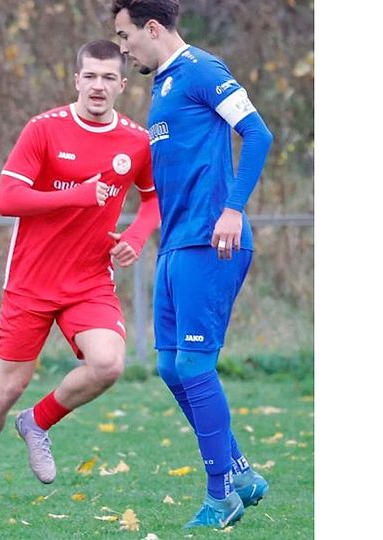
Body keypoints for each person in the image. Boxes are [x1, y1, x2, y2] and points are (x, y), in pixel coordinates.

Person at [0, 40, 160, 504]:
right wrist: (75, 195)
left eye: (108, 78)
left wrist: (136, 238)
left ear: (122, 85)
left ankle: (37, 421)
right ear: (76, 79)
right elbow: (7, 200)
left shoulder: (136, 142)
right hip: (31, 282)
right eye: (91, 76)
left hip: (89, 281)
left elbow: (152, 199)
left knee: (108, 364)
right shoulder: (43, 130)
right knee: (6, 387)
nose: (98, 86)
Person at [111, 0, 274, 529]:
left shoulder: (203, 70)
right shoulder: (161, 85)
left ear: (151, 28)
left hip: (212, 240)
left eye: (124, 35)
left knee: (195, 366)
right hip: (177, 244)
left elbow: (258, 133)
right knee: (168, 366)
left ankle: (220, 494)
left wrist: (232, 208)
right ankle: (242, 474)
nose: (122, 47)